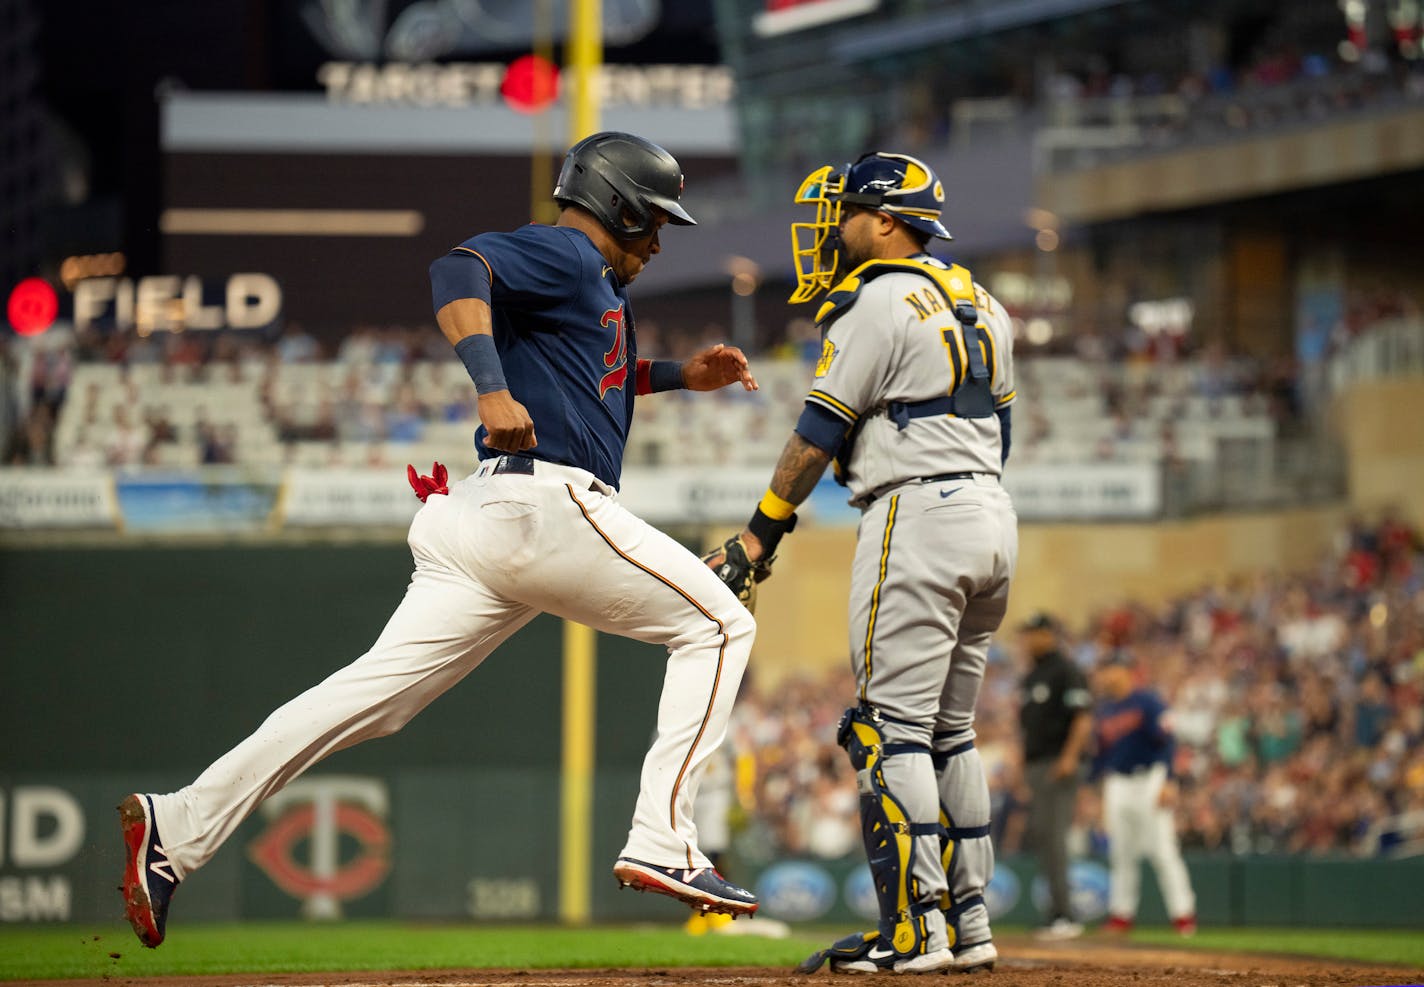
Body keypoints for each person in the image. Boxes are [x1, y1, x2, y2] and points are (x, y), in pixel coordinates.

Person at [118, 132, 764, 948]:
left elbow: (591, 370)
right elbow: (457, 270)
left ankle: (176, 827)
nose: (662, 238)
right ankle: (664, 841)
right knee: (717, 624)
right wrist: (488, 389)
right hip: (542, 504)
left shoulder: (587, 281)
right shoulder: (565, 251)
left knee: (364, 702)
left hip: (484, 522)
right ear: (620, 205)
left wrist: (681, 376)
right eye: (656, 219)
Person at [709, 152, 1017, 975]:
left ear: (886, 221)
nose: (834, 226)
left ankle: (916, 929)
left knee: (888, 730)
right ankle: (971, 921)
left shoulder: (877, 299)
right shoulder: (985, 300)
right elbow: (1006, 433)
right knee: (952, 731)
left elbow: (818, 433)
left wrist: (758, 534)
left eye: (847, 211)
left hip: (916, 511)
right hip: (992, 514)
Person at [1090, 653, 1197, 937]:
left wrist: (1169, 780)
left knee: (1163, 851)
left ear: (1126, 672)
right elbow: (1100, 757)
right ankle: (1122, 915)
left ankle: (1183, 915)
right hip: (1117, 783)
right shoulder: (1105, 710)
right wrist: (1094, 791)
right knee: (1121, 853)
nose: (1107, 675)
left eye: (1111, 669)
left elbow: (1169, 740)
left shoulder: (1148, 701)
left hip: (1150, 778)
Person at [1017, 611, 1093, 941]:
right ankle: (1054, 913)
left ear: (1049, 634)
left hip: (1058, 762)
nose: (1028, 639)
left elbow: (1082, 717)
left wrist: (1069, 757)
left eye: (1034, 633)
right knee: (1044, 838)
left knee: (1056, 838)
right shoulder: (1032, 675)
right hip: (1036, 765)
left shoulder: (1066, 670)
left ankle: (1066, 914)